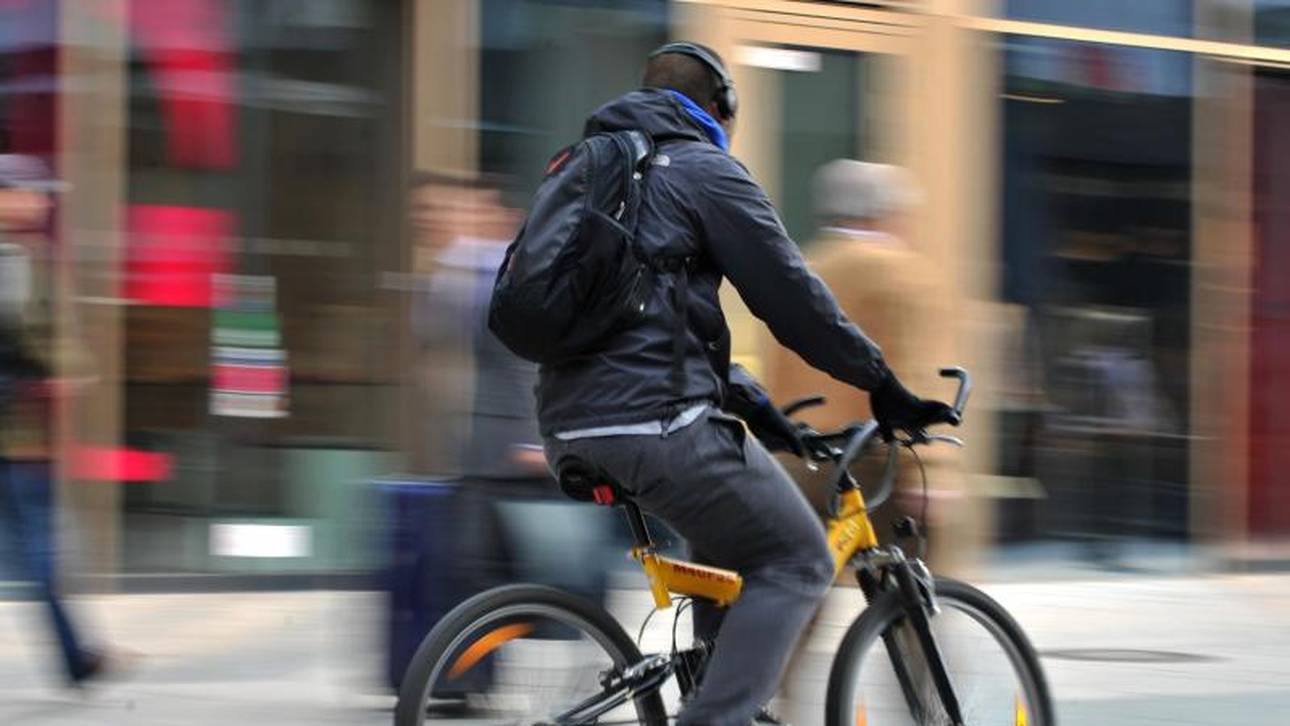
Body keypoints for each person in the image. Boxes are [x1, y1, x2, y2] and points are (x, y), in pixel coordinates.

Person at [538, 44, 955, 726]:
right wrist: (880, 382)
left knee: (731, 546)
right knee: (797, 561)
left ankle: (717, 687)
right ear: (720, 110)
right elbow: (792, 298)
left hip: (568, 425)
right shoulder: (705, 170)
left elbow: (657, 336)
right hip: (659, 429)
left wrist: (764, 414)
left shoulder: (594, 175)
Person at [0, 153, 107, 686]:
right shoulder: (15, 260)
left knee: (37, 554)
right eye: (28, 191)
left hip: (23, 436)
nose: (40, 202)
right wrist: (63, 373)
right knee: (39, 553)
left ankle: (75, 658)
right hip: (18, 436)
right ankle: (75, 659)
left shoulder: (27, 256)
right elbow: (40, 340)